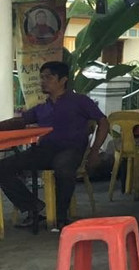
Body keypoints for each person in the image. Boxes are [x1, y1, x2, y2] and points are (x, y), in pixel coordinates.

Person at [0, 61, 109, 228]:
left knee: (63, 167)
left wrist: (94, 152)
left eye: (48, 77)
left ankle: (60, 217)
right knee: (3, 167)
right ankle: (32, 207)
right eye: (42, 78)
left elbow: (103, 122)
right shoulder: (42, 108)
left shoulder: (80, 101)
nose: (43, 81)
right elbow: (20, 121)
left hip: (71, 149)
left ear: (63, 80)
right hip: (44, 150)